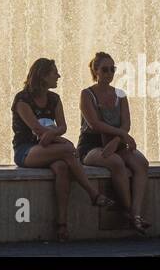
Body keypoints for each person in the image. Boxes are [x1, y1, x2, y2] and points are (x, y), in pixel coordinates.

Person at [12, 57, 115, 241]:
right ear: (43, 76)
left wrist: (55, 137)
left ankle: (62, 226)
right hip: (26, 150)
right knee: (68, 151)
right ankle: (93, 193)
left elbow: (63, 126)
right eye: (54, 73)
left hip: (50, 148)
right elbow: (37, 130)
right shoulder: (22, 99)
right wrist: (61, 140)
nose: (58, 76)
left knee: (62, 168)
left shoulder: (54, 99)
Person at [78, 51, 152, 235]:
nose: (109, 73)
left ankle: (135, 211)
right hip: (91, 144)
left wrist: (117, 140)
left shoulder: (120, 94)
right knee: (116, 163)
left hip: (117, 143)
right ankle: (131, 214)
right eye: (105, 69)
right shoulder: (87, 94)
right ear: (95, 71)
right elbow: (94, 124)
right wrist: (120, 135)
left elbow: (126, 123)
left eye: (113, 69)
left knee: (141, 163)